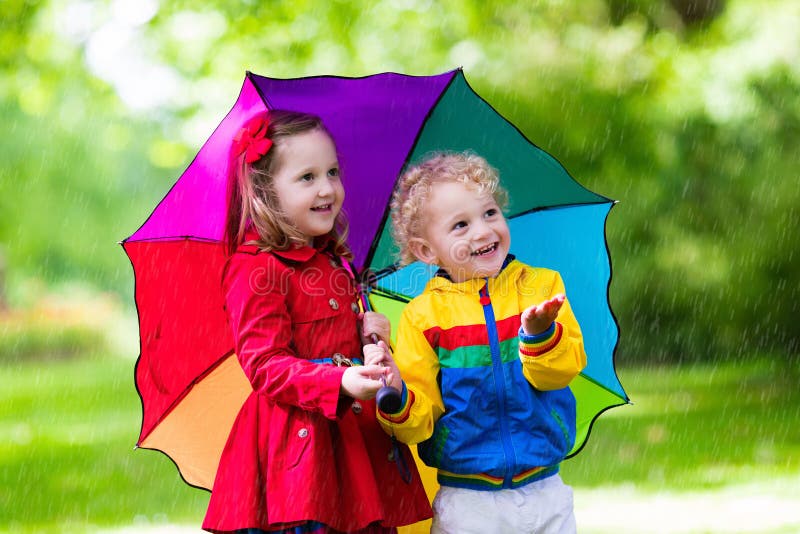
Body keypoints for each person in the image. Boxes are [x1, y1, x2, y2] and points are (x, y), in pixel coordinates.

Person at [202, 110, 432, 534]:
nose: (328, 188)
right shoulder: (256, 268)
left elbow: (341, 344)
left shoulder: (336, 260)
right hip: (299, 452)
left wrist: (369, 339)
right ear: (266, 193)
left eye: (332, 172)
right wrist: (338, 382)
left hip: (354, 441)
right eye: (307, 178)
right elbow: (265, 366)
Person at [362, 152, 587, 534]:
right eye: (460, 225)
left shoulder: (540, 288)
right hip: (468, 500)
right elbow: (418, 423)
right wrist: (398, 394)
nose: (483, 232)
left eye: (489, 214)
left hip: (545, 487)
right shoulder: (423, 316)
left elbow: (560, 373)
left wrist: (538, 337)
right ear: (427, 251)